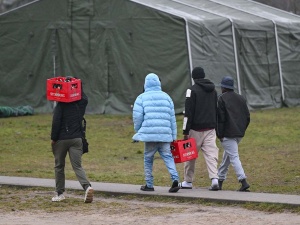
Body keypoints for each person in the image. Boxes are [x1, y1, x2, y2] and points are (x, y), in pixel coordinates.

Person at [132, 73, 180, 193]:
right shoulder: (167, 97)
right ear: (159, 83)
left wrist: (139, 131)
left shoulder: (141, 98)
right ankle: (175, 179)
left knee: (148, 158)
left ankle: (149, 184)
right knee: (168, 157)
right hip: (165, 134)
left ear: (145, 83)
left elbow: (137, 117)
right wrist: (173, 136)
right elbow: (172, 118)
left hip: (149, 135)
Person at [51, 79, 94, 202]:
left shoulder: (61, 105)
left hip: (61, 140)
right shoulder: (81, 104)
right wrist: (78, 85)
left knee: (59, 166)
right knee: (77, 166)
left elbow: (56, 122)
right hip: (76, 139)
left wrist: (53, 139)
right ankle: (87, 187)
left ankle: (59, 194)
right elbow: (84, 97)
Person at [180, 67, 220, 191]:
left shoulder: (191, 91)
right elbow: (215, 109)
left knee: (190, 155)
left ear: (193, 78)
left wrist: (185, 131)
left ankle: (188, 181)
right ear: (203, 76)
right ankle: (214, 179)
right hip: (210, 128)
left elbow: (188, 113)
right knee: (211, 154)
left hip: (195, 129)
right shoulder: (213, 91)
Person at [216, 76, 250, 191]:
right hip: (239, 133)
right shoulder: (241, 98)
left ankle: (243, 180)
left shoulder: (221, 98)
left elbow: (220, 118)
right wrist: (242, 130)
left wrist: (219, 134)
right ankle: (220, 180)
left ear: (223, 87)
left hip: (227, 134)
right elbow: (247, 117)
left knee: (233, 157)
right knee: (227, 158)